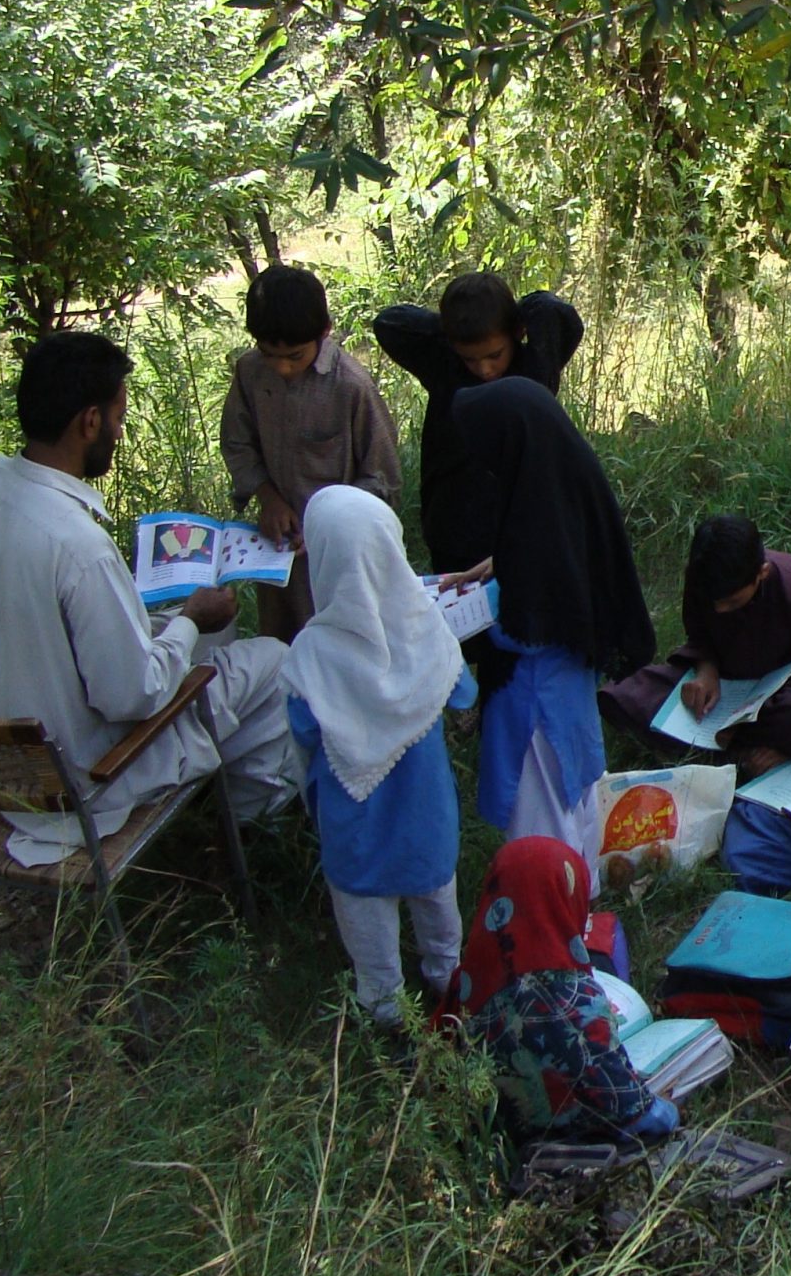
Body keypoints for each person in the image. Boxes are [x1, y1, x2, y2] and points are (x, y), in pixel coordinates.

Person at [0, 331, 300, 865]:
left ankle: (235, 796)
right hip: (84, 775)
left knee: (207, 635)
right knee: (274, 661)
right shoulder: (79, 545)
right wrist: (189, 619)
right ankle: (253, 826)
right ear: (90, 422)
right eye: (117, 417)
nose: (118, 430)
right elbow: (133, 695)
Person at [282, 486, 475, 1032]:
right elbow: (462, 693)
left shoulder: (310, 656)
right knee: (438, 902)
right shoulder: (426, 629)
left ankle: (385, 1004)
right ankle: (447, 975)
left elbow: (300, 730)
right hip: (426, 814)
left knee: (366, 918)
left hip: (355, 826)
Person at [446, 378, 654, 871]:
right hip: (567, 693)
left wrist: (462, 615)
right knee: (573, 804)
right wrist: (503, 566)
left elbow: (527, 623)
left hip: (535, 706)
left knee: (540, 833)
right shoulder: (556, 491)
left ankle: (556, 928)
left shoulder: (537, 520)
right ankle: (581, 906)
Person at [444, 836, 680, 1145]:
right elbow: (637, 1114)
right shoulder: (574, 1005)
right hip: (560, 1146)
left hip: (481, 1141)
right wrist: (668, 1109)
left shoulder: (469, 979)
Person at [216, 263, 402, 640]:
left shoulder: (350, 386)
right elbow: (237, 443)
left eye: (295, 357)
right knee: (284, 646)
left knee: (341, 644)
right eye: (270, 355)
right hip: (278, 548)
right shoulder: (250, 374)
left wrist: (327, 525)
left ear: (324, 332)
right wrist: (268, 498)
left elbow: (384, 480)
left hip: (341, 553)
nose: (282, 368)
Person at [374, 269, 585, 576]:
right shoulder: (443, 365)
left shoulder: (535, 366)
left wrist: (517, 313)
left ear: (517, 332)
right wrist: (451, 329)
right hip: (454, 526)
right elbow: (389, 322)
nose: (484, 369)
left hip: (521, 525)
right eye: (470, 359)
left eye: (494, 355)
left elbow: (555, 313)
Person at [598, 515, 791, 773]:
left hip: (784, 688)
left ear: (762, 573)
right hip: (726, 682)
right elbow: (700, 636)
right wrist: (706, 672)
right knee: (623, 695)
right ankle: (743, 751)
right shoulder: (703, 578)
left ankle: (731, 746)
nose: (719, 609)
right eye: (714, 602)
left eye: (732, 602)